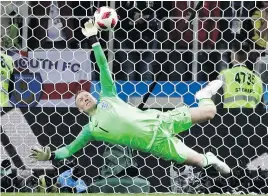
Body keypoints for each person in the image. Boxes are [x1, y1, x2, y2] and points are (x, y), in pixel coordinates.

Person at [30, 20, 231, 175]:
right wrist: (51, 155)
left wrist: (94, 40)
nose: (85, 98)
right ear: (80, 110)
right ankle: (209, 159)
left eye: (86, 95)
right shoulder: (90, 130)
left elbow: (102, 66)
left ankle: (203, 95)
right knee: (199, 161)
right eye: (81, 100)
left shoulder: (108, 96)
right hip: (156, 144)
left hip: (161, 120)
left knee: (210, 111)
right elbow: (69, 149)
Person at [213, 40, 263, 108]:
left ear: (233, 54)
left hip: (228, 116)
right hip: (251, 117)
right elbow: (260, 108)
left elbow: (216, 102)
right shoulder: (257, 79)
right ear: (248, 55)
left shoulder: (224, 75)